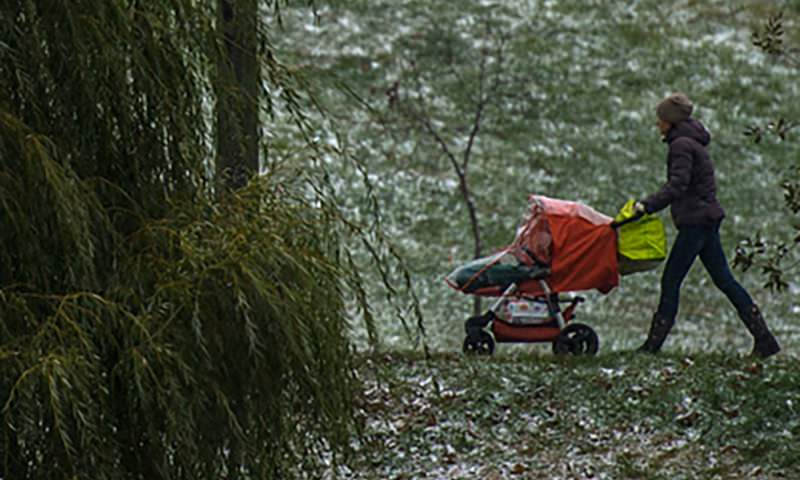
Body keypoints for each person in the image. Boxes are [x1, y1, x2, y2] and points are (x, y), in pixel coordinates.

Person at [635, 92, 780, 358]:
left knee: (671, 280)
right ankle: (764, 339)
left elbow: (677, 185)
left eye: (661, 119)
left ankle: (651, 347)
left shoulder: (681, 145)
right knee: (724, 279)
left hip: (695, 222)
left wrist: (646, 206)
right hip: (706, 220)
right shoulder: (692, 142)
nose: (658, 124)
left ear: (671, 121)